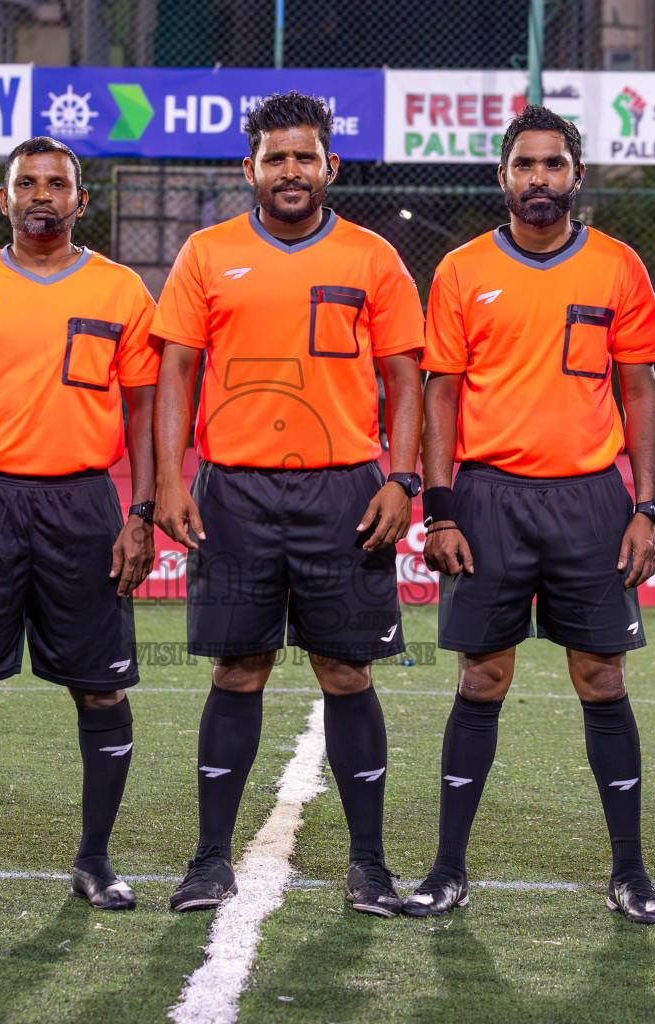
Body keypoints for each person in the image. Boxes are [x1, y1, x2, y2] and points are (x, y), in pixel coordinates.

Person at [152, 92, 426, 917]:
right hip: (234, 489)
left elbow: (407, 378)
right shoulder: (205, 254)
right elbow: (175, 375)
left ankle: (370, 866)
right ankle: (208, 861)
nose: (292, 171)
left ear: (329, 166)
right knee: (240, 667)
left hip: (345, 489)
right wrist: (171, 477)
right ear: (251, 169)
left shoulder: (375, 258)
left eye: (305, 157)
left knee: (347, 671)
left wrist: (401, 478)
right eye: (276, 158)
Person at [410, 106, 655, 923]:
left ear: (576, 176)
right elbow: (440, 393)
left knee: (601, 676)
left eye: (554, 166)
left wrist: (646, 506)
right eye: (525, 166)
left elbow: (639, 390)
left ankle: (630, 873)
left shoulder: (619, 267)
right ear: (503, 177)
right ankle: (448, 868)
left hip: (592, 498)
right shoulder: (459, 270)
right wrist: (442, 507)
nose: (539, 179)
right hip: (487, 497)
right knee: (482, 675)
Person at [0, 137, 159, 912]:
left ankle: (94, 860)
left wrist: (140, 513)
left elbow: (146, 414)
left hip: (84, 506)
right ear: (4, 198)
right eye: (27, 182)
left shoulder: (122, 292)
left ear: (83, 201)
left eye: (56, 183)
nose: (40, 194)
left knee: (100, 692)